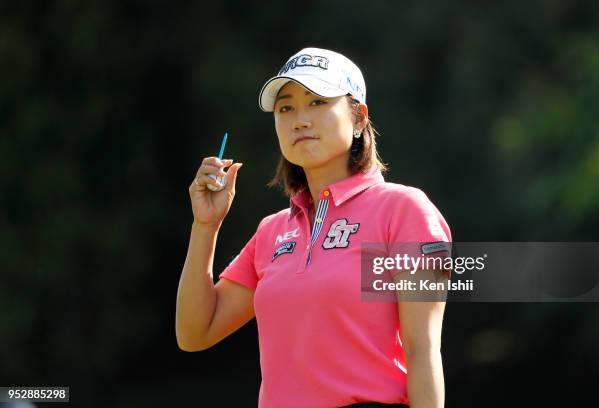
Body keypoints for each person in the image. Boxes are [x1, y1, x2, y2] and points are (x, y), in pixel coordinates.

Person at [175, 47, 451, 408]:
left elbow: (423, 352)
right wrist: (205, 226)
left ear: (358, 118)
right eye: (286, 108)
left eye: (318, 102)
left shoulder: (402, 211)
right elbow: (195, 332)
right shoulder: (271, 232)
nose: (300, 119)